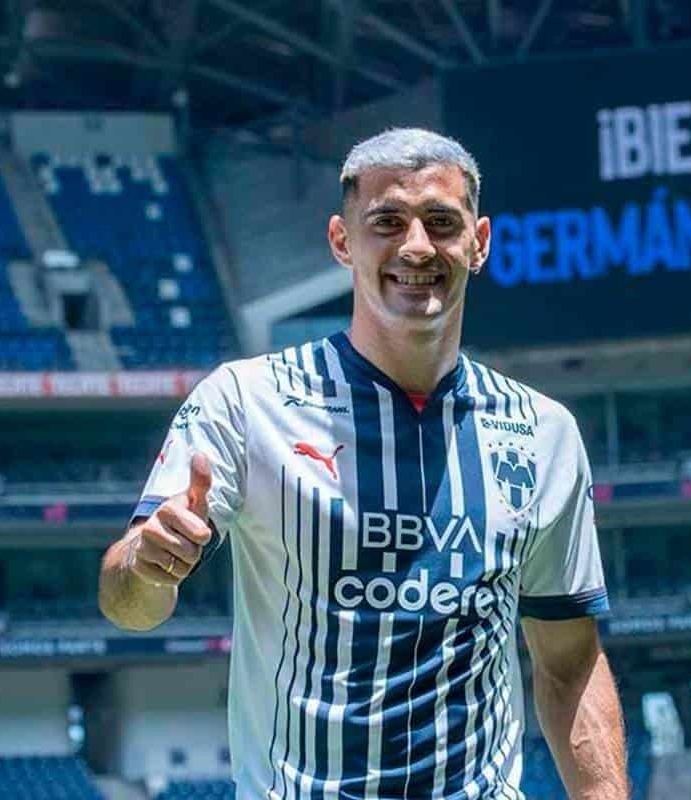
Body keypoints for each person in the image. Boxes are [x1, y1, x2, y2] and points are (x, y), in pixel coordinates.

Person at [98, 128, 628, 799]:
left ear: (480, 242)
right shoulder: (245, 400)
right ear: (342, 241)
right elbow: (129, 607)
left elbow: (568, 662)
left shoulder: (543, 433)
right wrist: (147, 563)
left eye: (441, 222)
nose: (416, 247)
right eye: (387, 222)